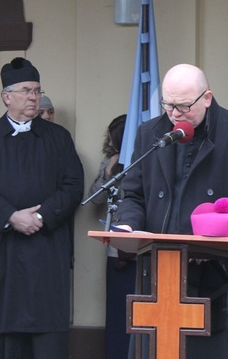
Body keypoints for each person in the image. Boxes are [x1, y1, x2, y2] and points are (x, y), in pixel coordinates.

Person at [115, 63, 228, 359]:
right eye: (168, 104)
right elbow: (133, 194)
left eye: (184, 106)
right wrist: (128, 225)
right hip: (158, 277)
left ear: (207, 98)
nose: (174, 114)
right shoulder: (150, 132)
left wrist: (214, 240)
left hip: (216, 278)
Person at [0, 57, 84, 359]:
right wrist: (10, 216)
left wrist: (40, 216)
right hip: (2, 252)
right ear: (6, 97)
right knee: (1, 328)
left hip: (45, 251)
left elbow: (73, 185)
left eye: (37, 90)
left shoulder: (58, 137)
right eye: (25, 90)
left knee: (46, 331)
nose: (33, 97)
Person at [88, 114, 136, 359]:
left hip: (144, 248)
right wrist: (108, 173)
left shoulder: (147, 159)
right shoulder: (110, 161)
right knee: (118, 313)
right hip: (116, 251)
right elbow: (94, 199)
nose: (109, 140)